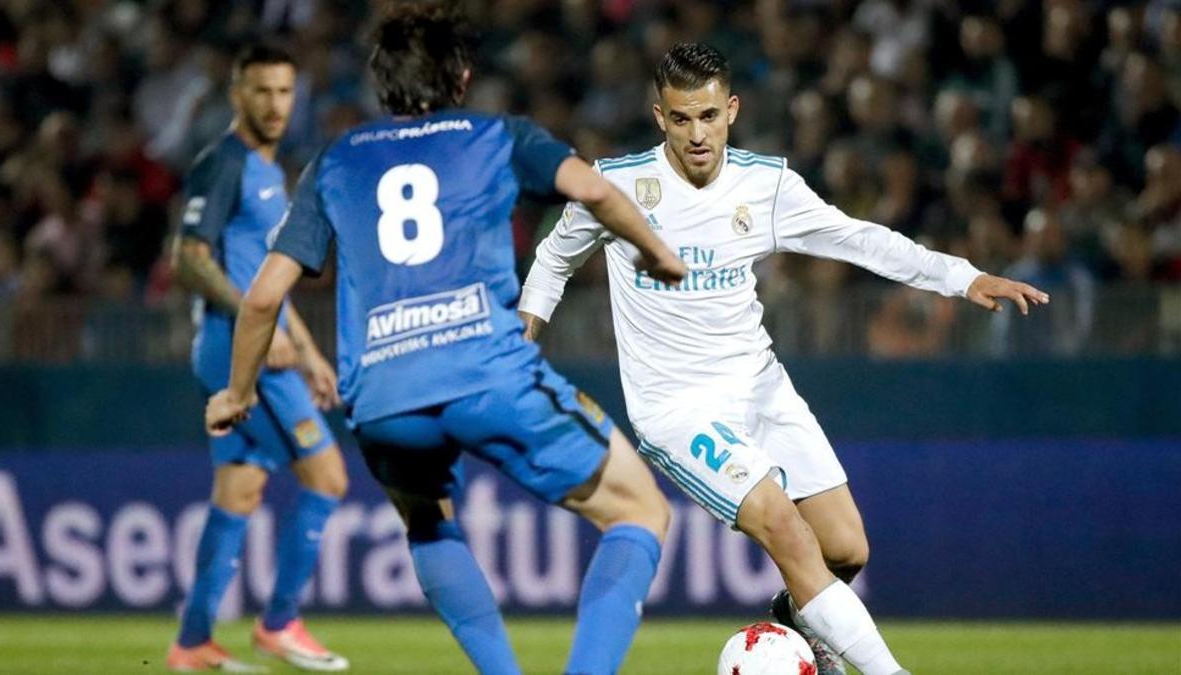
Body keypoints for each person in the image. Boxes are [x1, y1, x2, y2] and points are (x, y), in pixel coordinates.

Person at [519, 42, 1049, 675]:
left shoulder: (765, 185)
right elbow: (553, 259)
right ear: (659, 116)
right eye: (682, 118)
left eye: (709, 117)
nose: (697, 134)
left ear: (732, 110)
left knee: (846, 549)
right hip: (677, 408)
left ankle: (790, 632)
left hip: (760, 387)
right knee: (784, 526)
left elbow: (858, 239)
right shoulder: (616, 185)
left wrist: (962, 278)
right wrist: (521, 343)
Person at [204, 4, 685, 674]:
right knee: (641, 512)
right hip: (487, 371)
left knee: (426, 519)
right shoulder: (497, 135)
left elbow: (261, 295)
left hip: (381, 397)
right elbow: (595, 193)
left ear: (383, 85)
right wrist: (655, 250)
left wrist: (236, 389)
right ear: (460, 76)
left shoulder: (336, 161)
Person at [168, 43, 349, 672]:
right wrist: (255, 325)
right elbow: (188, 257)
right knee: (327, 478)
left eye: (284, 92)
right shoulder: (223, 164)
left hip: (264, 347)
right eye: (262, 91)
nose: (275, 105)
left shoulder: (271, 174)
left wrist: (305, 350)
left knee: (240, 494)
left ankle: (192, 642)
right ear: (236, 94)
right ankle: (278, 624)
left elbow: (269, 277)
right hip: (234, 347)